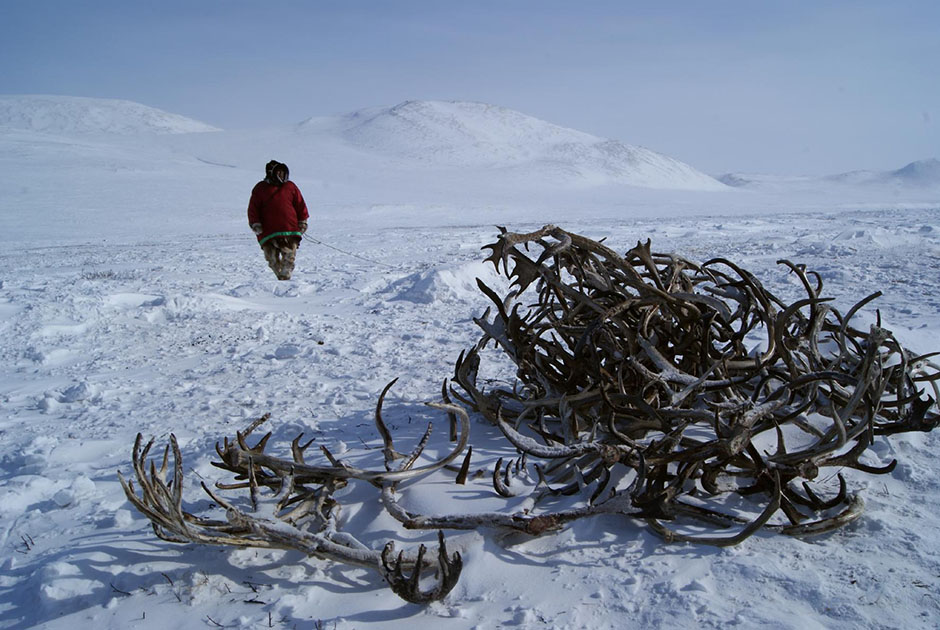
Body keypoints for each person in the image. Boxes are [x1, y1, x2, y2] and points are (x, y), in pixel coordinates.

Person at [247, 160, 309, 280]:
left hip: (289, 228)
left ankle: (285, 277)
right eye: (280, 173)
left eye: (284, 173)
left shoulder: (290, 186)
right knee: (272, 258)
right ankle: (279, 276)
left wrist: (303, 221)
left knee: (289, 255)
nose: (283, 176)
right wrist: (255, 223)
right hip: (268, 230)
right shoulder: (260, 189)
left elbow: (300, 204)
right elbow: (253, 208)